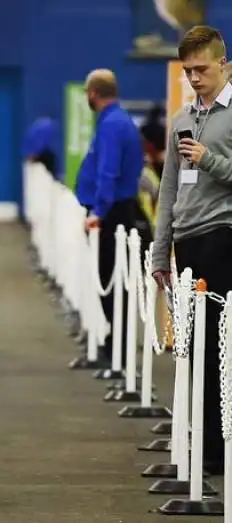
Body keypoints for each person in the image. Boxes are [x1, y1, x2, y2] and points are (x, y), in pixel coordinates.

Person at [151, 25, 232, 476]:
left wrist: (209, 160)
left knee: (220, 349)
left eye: (202, 69)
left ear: (225, 65)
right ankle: (199, 441)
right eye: (188, 71)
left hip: (224, 239)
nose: (195, 78)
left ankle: (220, 448)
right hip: (188, 245)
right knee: (191, 349)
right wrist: (160, 252)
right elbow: (167, 189)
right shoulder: (182, 119)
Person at [75, 69, 146, 365]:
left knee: (112, 282)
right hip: (116, 210)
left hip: (112, 214)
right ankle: (114, 345)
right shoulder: (117, 121)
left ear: (93, 93)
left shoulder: (112, 126)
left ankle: (119, 351)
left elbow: (108, 173)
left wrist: (98, 213)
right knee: (113, 282)